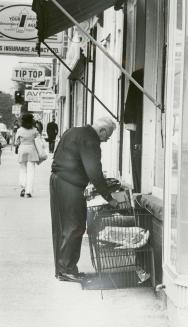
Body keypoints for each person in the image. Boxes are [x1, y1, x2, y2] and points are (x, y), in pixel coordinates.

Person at [50, 116, 118, 282]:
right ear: (101, 130)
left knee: (62, 226)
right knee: (75, 226)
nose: (106, 140)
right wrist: (109, 197)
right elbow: (94, 170)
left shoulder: (72, 131)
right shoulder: (91, 139)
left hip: (57, 180)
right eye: (107, 136)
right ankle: (67, 269)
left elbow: (58, 154)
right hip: (70, 185)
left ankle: (63, 269)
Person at [15, 113, 40, 198]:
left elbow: (16, 142)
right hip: (32, 150)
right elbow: (39, 141)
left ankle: (23, 187)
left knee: (22, 170)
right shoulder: (34, 130)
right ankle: (28, 191)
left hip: (22, 150)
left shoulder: (19, 130)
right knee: (31, 171)